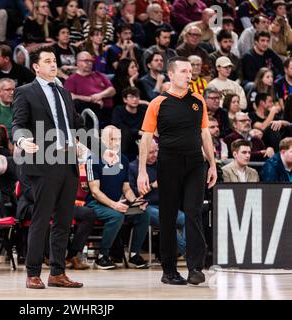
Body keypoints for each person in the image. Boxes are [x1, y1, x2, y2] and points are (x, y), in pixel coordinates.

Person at [137, 56, 217, 285]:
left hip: (195, 164)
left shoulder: (198, 101)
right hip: (168, 163)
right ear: (171, 75)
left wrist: (212, 164)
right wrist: (143, 171)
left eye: (190, 71)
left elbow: (205, 134)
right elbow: (146, 138)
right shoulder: (158, 103)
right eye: (183, 71)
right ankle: (169, 270)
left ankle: (195, 268)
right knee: (168, 217)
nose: (189, 74)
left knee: (193, 213)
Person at [12, 46, 86, 289]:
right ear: (36, 66)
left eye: (54, 61)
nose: (53, 65)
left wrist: (83, 140)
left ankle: (57, 272)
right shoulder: (25, 92)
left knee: (64, 221)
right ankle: (33, 273)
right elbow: (18, 123)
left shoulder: (64, 92)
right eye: (47, 61)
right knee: (41, 220)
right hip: (43, 162)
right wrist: (23, 140)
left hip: (67, 161)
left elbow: (75, 123)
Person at [86, 125, 150, 270]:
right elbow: (95, 191)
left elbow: (126, 188)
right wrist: (114, 205)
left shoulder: (124, 160)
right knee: (116, 216)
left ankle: (133, 254)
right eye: (112, 139)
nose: (116, 143)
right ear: (103, 140)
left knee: (143, 214)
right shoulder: (93, 159)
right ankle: (102, 256)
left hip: (117, 204)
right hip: (96, 205)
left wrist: (135, 202)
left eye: (118, 139)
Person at [128, 140, 187, 258]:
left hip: (164, 205)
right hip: (145, 206)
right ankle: (188, 252)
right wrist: (151, 186)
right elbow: (133, 195)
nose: (155, 154)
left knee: (187, 219)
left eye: (156, 151)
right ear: (142, 152)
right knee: (168, 222)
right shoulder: (133, 167)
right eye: (151, 152)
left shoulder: (161, 165)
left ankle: (183, 250)